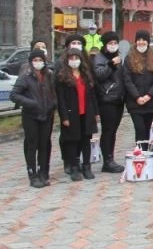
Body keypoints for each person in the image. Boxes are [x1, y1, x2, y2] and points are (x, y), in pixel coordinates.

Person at [11, 49, 57, 188]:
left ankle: (43, 171)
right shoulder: (25, 77)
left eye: (40, 60)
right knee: (32, 145)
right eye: (35, 60)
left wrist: (53, 104)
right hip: (31, 115)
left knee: (44, 144)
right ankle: (32, 174)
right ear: (31, 62)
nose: (38, 63)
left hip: (46, 115)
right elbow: (14, 95)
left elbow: (54, 92)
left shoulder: (49, 75)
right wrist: (31, 103)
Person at [56, 48, 99, 181]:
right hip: (71, 114)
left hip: (86, 113)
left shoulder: (86, 76)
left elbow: (92, 96)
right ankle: (74, 167)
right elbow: (60, 99)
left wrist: (96, 112)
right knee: (72, 142)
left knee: (86, 140)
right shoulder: (62, 77)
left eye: (77, 58)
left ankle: (87, 166)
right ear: (67, 60)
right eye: (71, 59)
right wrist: (64, 117)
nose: (74, 61)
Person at [92, 31, 126, 173]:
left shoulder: (119, 57)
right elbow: (99, 75)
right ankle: (107, 160)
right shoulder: (100, 58)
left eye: (115, 43)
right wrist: (111, 64)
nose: (113, 46)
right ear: (105, 45)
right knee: (108, 130)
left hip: (118, 98)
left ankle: (110, 157)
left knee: (113, 131)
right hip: (107, 99)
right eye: (110, 43)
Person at [123, 30, 153, 151]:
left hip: (151, 101)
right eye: (139, 40)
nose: (141, 42)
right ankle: (140, 152)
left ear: (148, 41)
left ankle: (145, 152)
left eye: (144, 40)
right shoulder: (129, 58)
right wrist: (137, 97)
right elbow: (127, 80)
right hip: (135, 102)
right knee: (139, 129)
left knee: (147, 128)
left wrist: (149, 95)